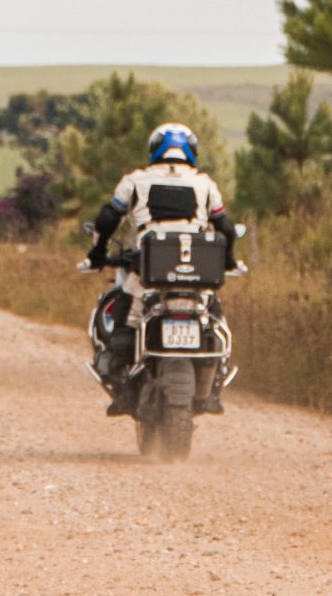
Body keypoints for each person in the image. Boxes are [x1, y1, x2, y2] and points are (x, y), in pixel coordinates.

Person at [79, 122, 238, 414]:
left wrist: (97, 254)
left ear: (154, 149)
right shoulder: (205, 183)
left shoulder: (135, 180)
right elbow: (225, 228)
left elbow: (108, 219)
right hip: (196, 271)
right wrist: (229, 261)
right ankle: (215, 384)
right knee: (213, 315)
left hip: (149, 269)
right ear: (191, 151)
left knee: (128, 316)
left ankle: (124, 390)